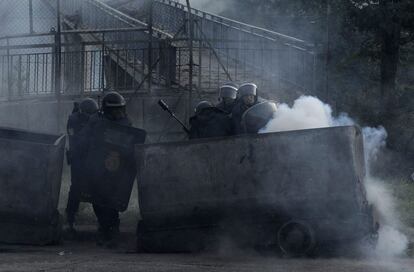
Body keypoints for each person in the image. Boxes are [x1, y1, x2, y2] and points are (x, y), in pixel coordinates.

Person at [76, 91, 132, 247]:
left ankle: (113, 229)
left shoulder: (126, 123)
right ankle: (103, 228)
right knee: (98, 199)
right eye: (114, 110)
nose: (117, 113)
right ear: (107, 110)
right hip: (97, 167)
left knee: (112, 200)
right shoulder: (95, 122)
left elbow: (132, 143)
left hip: (116, 169)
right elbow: (82, 140)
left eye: (120, 109)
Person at [65, 98, 99, 233]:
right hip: (78, 159)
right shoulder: (74, 120)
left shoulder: (93, 120)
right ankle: (70, 220)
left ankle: (103, 223)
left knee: (97, 190)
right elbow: (76, 138)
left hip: (92, 159)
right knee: (76, 190)